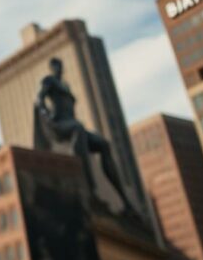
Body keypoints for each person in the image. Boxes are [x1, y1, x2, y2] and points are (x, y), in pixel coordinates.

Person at [34, 57, 132, 212]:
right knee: (78, 129)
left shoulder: (66, 85)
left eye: (60, 65)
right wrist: (46, 115)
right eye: (55, 66)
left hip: (72, 122)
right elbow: (39, 98)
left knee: (103, 144)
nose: (58, 68)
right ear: (51, 68)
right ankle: (89, 191)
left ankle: (126, 202)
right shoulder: (49, 81)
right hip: (59, 125)